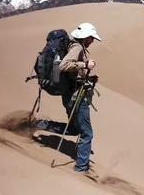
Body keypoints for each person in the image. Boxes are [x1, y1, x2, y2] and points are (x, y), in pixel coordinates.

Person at [35, 22, 101, 175]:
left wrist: (89, 78)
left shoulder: (74, 46)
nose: (92, 41)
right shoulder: (77, 47)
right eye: (91, 38)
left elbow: (72, 74)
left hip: (70, 95)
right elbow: (64, 66)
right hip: (76, 97)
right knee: (87, 134)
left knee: (72, 129)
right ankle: (81, 169)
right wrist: (84, 64)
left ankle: (37, 124)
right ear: (85, 37)